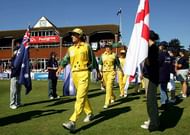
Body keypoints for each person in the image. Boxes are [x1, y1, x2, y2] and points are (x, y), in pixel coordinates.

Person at [56, 28, 101, 132]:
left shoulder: (87, 46)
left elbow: (93, 60)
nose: (72, 36)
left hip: (84, 73)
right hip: (74, 74)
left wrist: (98, 71)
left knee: (79, 97)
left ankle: (73, 122)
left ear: (79, 36)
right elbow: (66, 59)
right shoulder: (70, 49)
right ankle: (90, 113)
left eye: (74, 35)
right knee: (83, 96)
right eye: (71, 35)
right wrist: (60, 68)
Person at [141, 30, 160, 131]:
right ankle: (152, 120)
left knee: (151, 101)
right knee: (150, 100)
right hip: (151, 77)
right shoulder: (153, 48)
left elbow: (149, 63)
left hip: (152, 78)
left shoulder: (153, 49)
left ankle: (154, 123)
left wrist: (144, 56)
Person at [99, 44, 124, 109]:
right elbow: (100, 63)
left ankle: (107, 103)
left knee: (109, 86)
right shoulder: (102, 55)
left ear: (111, 49)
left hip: (111, 72)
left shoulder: (114, 55)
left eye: (108, 48)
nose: (107, 49)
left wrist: (121, 71)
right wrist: (99, 71)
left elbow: (118, 64)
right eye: (106, 48)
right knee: (107, 87)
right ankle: (113, 97)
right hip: (104, 72)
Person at [158, 41, 171, 110]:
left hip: (161, 74)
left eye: (159, 46)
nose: (159, 47)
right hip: (166, 74)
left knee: (162, 90)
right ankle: (166, 102)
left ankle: (164, 104)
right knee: (164, 89)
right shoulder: (168, 55)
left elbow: (158, 64)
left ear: (162, 46)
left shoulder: (161, 54)